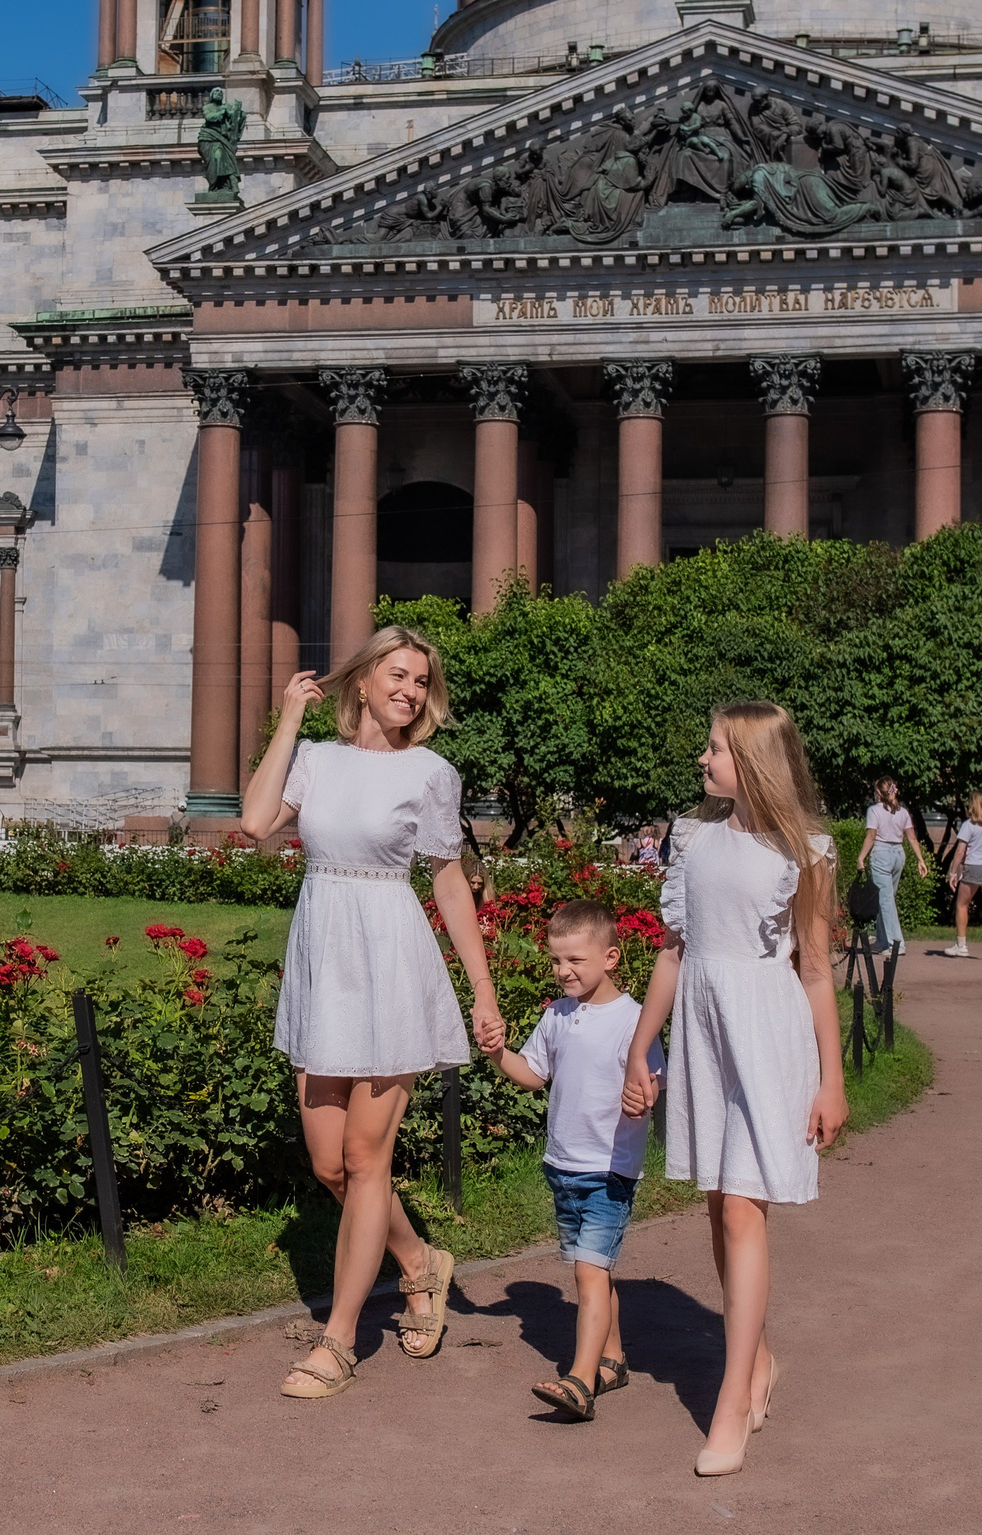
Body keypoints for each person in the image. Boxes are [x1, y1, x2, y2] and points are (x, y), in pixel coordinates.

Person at [240, 626, 502, 1400]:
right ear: (363, 681)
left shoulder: (430, 772)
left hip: (391, 959)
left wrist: (481, 988)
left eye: (422, 680)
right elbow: (255, 823)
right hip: (325, 962)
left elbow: (450, 884)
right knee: (329, 1163)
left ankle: (340, 1340)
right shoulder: (317, 760)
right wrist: (289, 718)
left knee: (365, 1159)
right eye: (398, 673)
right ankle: (419, 1262)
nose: (411, 690)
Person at [621, 702, 846, 1478]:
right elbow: (673, 954)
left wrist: (832, 1079)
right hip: (705, 1041)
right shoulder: (694, 840)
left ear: (751, 759)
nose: (702, 758)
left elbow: (814, 969)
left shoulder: (805, 851)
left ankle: (731, 1399)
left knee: (745, 1206)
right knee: (719, 1203)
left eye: (713, 747)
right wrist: (640, 1046)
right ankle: (759, 1359)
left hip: (767, 1037)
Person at [478, 899, 664, 1423]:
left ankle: (581, 1381)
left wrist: (642, 1094)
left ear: (610, 957)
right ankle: (613, 1359)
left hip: (609, 1171)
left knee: (587, 1274)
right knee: (596, 1273)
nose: (563, 971)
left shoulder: (634, 1021)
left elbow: (654, 1080)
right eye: (557, 961)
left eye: (575, 961)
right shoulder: (557, 1015)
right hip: (562, 1166)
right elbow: (534, 1073)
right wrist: (497, 1054)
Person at [853, 779, 929, 958]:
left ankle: (896, 943)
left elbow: (871, 836)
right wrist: (920, 860)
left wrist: (860, 857)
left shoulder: (874, 810)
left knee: (885, 900)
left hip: (882, 853)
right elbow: (912, 838)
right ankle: (881, 940)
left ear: (879, 793)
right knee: (886, 899)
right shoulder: (902, 812)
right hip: (898, 854)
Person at [942, 792, 982, 959]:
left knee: (962, 905)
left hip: (974, 866)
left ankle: (961, 945)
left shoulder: (969, 825)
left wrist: (953, 872)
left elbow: (960, 851)